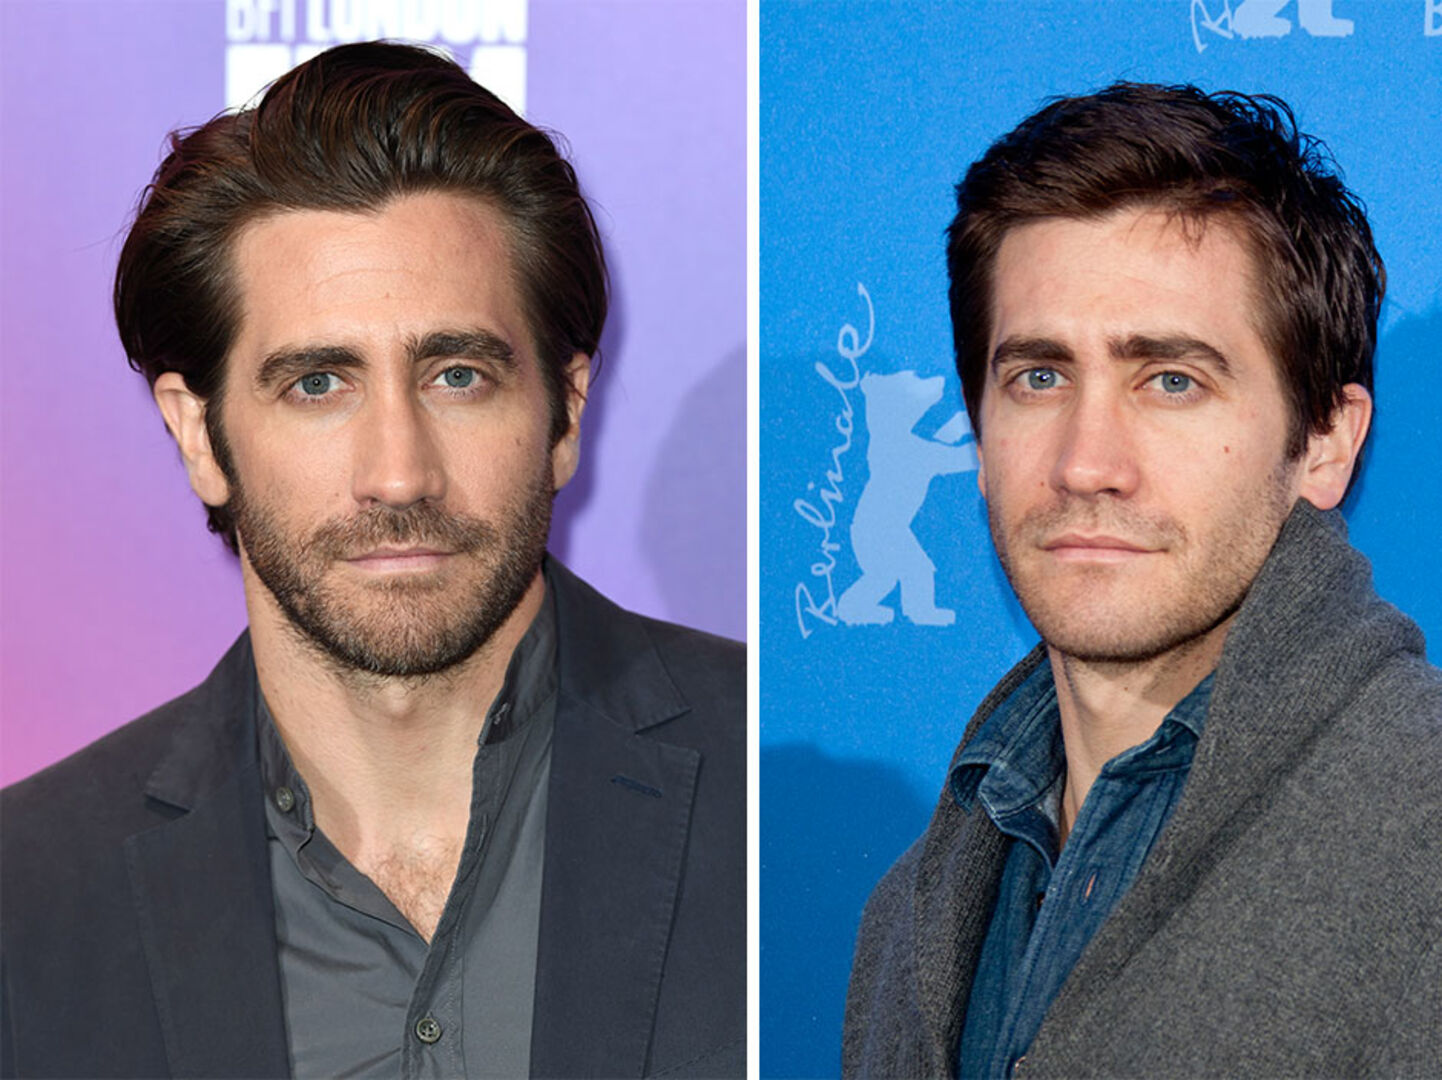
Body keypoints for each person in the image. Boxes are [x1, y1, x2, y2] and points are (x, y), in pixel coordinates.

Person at [1, 42, 743, 1079]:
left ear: (566, 412)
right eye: (317, 384)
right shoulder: (30, 897)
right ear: (199, 435)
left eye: (456, 375)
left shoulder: (769, 796)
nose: (398, 476)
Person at [843, 83, 1441, 1078]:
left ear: (1326, 442)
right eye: (1038, 377)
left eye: (1170, 381)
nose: (1086, 463)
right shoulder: (909, 915)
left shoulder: (1422, 832)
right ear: (979, 440)